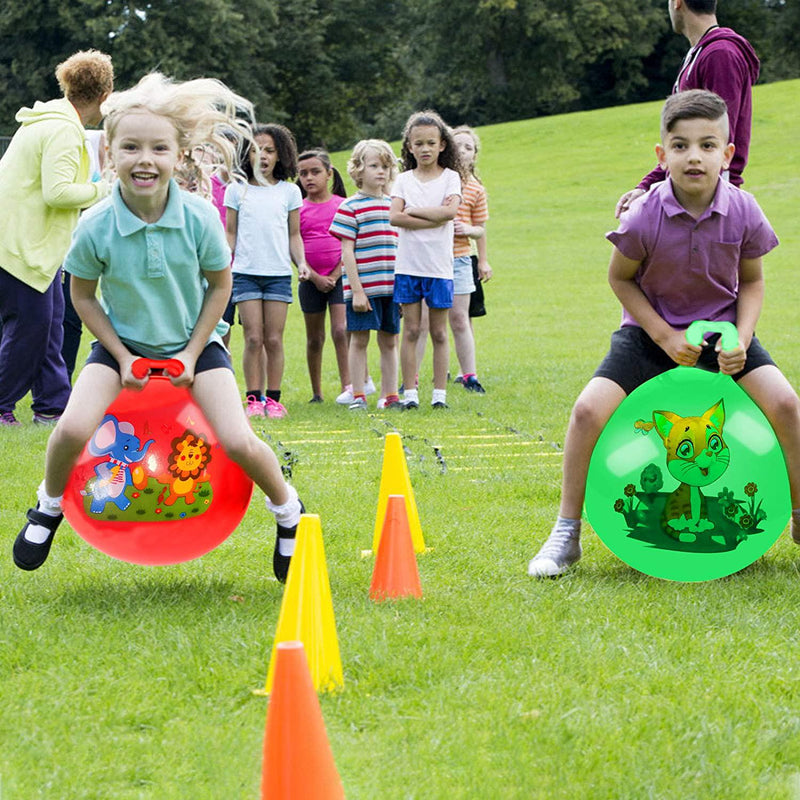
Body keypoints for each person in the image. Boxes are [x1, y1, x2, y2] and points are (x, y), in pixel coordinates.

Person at [12, 73, 305, 582]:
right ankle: (49, 504)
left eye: (158, 148)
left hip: (197, 346)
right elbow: (81, 294)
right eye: (130, 147)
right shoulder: (96, 223)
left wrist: (192, 355)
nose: (144, 159)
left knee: (237, 441)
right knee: (71, 429)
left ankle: (288, 512)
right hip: (119, 347)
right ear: (109, 155)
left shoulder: (200, 218)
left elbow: (219, 287)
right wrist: (122, 356)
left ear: (179, 156)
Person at [528, 90, 800, 577]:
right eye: (680, 145)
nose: (694, 156)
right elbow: (620, 278)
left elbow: (753, 281)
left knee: (787, 406)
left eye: (707, 145)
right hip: (649, 335)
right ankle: (566, 533)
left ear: (727, 154)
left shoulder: (743, 209)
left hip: (723, 336)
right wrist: (663, 336)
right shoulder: (644, 214)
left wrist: (741, 337)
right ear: (662, 155)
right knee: (588, 410)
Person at [0, 50, 113, 426]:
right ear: (105, 93)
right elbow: (59, 192)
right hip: (23, 247)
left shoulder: (41, 120)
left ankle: (52, 406)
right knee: (30, 331)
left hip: (30, 245)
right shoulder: (64, 129)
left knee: (50, 326)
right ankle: (1, 405)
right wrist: (103, 190)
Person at [615, 0, 760, 217]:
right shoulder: (701, 54)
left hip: (710, 204)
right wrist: (646, 186)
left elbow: (715, 138)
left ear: (677, 2)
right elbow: (685, 140)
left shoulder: (720, 55)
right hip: (691, 198)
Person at [224, 123, 311, 419]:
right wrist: (224, 261)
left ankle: (274, 399)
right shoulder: (236, 190)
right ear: (245, 155)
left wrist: (301, 263)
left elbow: (294, 235)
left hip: (277, 274)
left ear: (280, 155)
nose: (262, 156)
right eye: (256, 150)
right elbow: (231, 233)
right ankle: (253, 399)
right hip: (245, 273)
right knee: (252, 338)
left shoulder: (289, 192)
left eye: (269, 151)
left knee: (273, 339)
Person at [389, 110, 463, 410]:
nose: (425, 149)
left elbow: (449, 214)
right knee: (411, 330)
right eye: (418, 143)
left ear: (442, 144)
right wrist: (431, 214)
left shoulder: (451, 178)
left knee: (439, 332)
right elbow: (395, 216)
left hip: (439, 268)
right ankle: (410, 393)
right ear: (409, 146)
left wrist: (415, 210)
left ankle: (439, 395)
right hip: (408, 266)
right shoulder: (404, 180)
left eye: (431, 143)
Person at [329, 140, 400, 411]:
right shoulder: (350, 207)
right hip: (363, 290)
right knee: (359, 339)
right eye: (374, 166)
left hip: (391, 288)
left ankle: (390, 395)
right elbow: (347, 252)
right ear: (359, 169)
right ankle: (358, 394)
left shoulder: (395, 205)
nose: (380, 172)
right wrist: (357, 290)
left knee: (389, 340)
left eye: (385, 166)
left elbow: (400, 246)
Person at [296, 149, 350, 403]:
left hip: (340, 279)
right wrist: (315, 276)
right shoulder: (297, 209)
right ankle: (316, 392)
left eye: (315, 172)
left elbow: (351, 242)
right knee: (315, 338)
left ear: (329, 174)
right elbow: (293, 245)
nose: (309, 177)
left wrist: (337, 274)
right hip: (310, 281)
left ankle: (348, 387)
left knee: (341, 330)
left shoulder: (342, 205)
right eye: (303, 173)